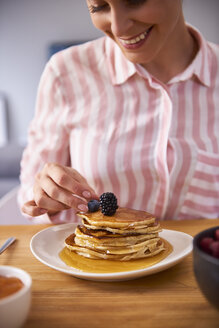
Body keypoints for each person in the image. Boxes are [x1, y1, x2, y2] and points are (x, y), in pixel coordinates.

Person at [18, 0, 219, 224]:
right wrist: (46, 194)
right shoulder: (65, 73)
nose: (118, 28)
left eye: (134, 1)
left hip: (200, 258)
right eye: (99, 7)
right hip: (92, 256)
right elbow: (29, 194)